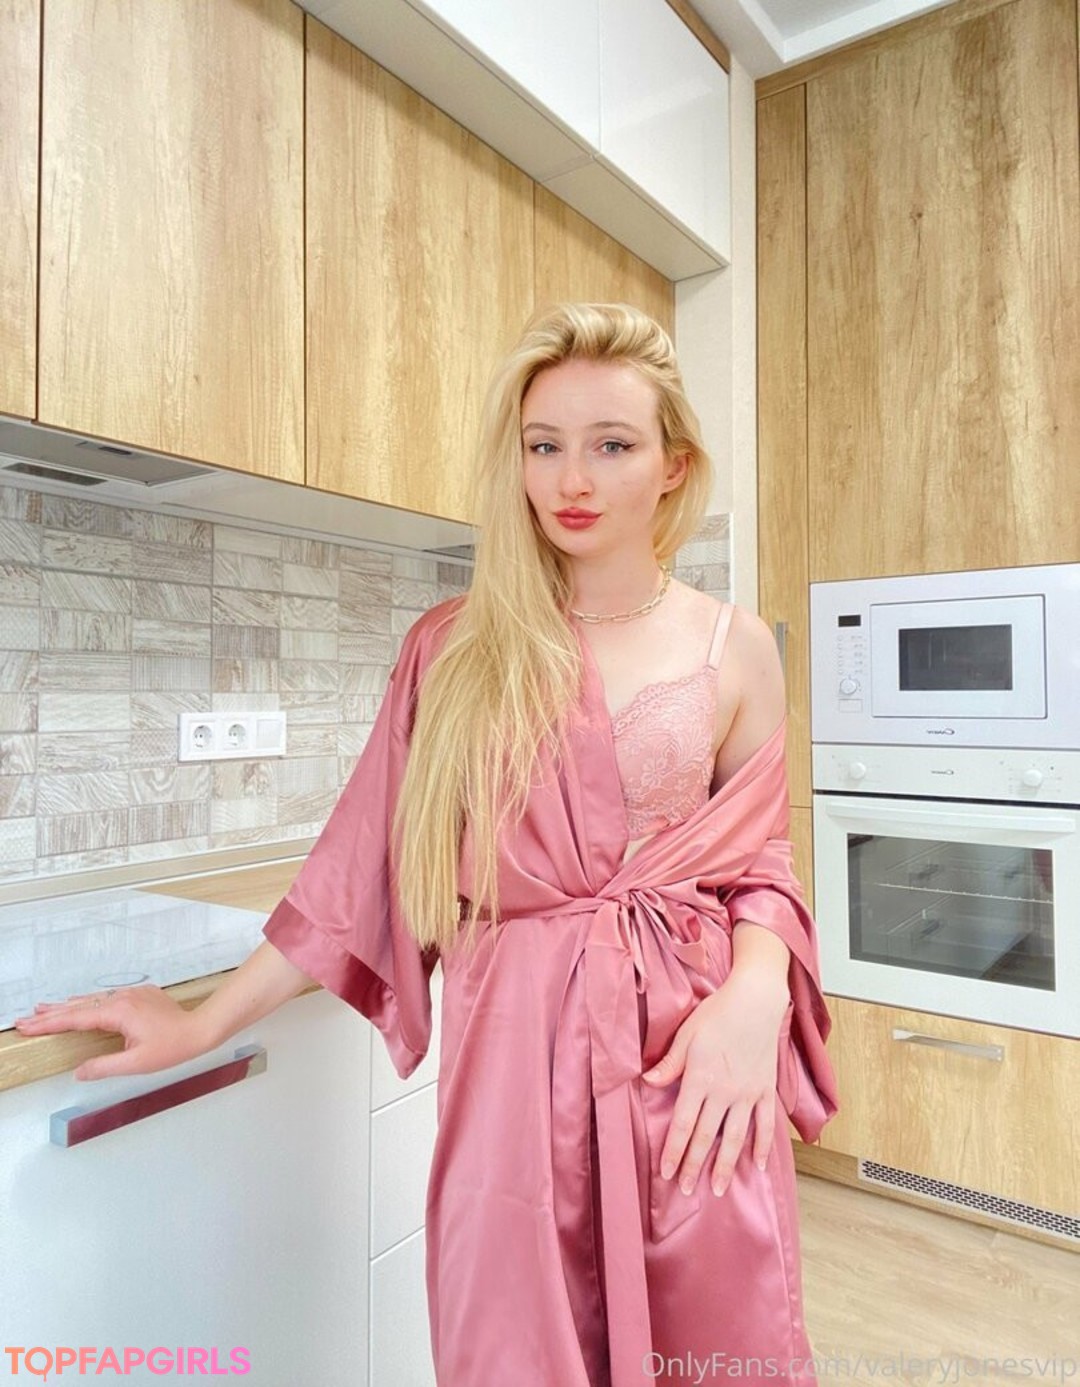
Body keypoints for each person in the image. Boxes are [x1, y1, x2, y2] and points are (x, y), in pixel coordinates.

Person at [17, 303, 838, 1386]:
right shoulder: (453, 649)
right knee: (512, 1341)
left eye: (612, 445)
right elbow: (361, 868)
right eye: (543, 445)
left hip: (693, 1059)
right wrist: (204, 1019)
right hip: (515, 1069)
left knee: (715, 1330)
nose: (571, 479)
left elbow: (761, 864)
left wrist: (758, 996)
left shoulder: (735, 646)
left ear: (673, 465)